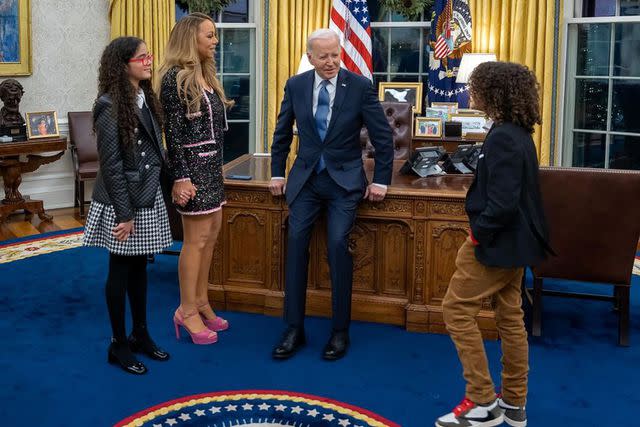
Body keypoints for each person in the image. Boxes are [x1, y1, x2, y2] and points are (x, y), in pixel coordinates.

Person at [435, 61, 552, 427]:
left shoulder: (502, 137)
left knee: (455, 311)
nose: (469, 92)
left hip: (495, 244)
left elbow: (502, 202)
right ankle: (515, 403)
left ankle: (482, 401)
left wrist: (477, 234)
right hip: (516, 243)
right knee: (510, 317)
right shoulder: (516, 132)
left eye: (475, 86)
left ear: (493, 92)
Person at [269, 29, 394, 361]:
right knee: (295, 242)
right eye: (323, 56)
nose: (330, 62)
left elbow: (383, 138)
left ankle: (340, 331)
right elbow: (282, 132)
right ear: (309, 56)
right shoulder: (296, 85)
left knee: (338, 244)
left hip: (344, 182)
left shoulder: (359, 86)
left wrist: (380, 180)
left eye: (335, 55)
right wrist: (277, 172)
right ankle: (293, 328)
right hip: (306, 180)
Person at [83, 36, 173, 375]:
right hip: (124, 201)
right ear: (123, 65)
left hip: (146, 196)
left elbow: (153, 151)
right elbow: (113, 164)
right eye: (142, 57)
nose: (149, 61)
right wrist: (125, 214)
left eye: (149, 56)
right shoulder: (109, 104)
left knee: (139, 270)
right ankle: (118, 344)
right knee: (119, 272)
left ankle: (140, 334)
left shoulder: (143, 97)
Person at [157, 12, 232, 345]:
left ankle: (201, 301)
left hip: (212, 167)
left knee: (212, 236)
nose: (215, 41)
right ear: (191, 39)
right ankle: (186, 310)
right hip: (191, 170)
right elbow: (172, 132)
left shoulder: (205, 75)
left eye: (214, 35)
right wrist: (181, 178)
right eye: (209, 35)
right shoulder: (174, 78)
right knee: (195, 240)